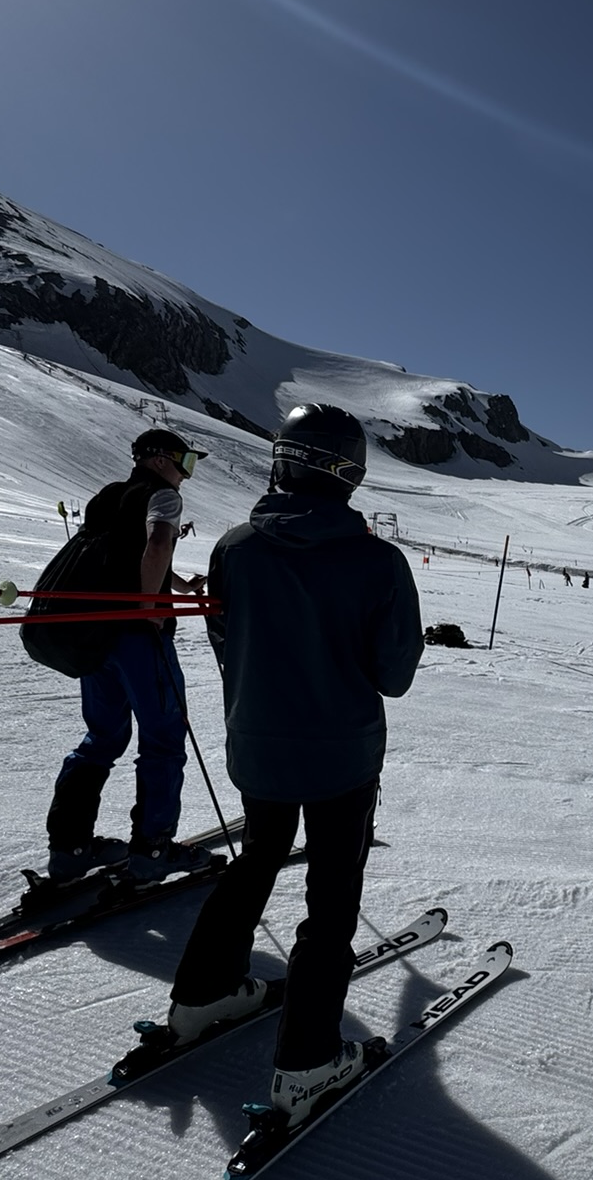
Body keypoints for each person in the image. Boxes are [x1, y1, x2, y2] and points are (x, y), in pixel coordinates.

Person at [161, 403, 424, 1125]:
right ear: (349, 474)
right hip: (342, 754)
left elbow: (223, 639)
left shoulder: (235, 547)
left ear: (283, 461)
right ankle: (307, 1061)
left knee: (256, 859)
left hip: (258, 745)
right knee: (330, 899)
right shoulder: (378, 561)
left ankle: (203, 992)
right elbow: (394, 674)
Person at [44, 427, 210, 883]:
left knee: (102, 737)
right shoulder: (164, 497)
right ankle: (153, 849)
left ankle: (70, 847)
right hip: (139, 637)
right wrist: (151, 606)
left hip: (97, 635)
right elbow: (156, 543)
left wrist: (176, 585)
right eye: (184, 462)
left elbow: (120, 553)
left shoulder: (109, 496)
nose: (186, 474)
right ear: (158, 460)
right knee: (163, 737)